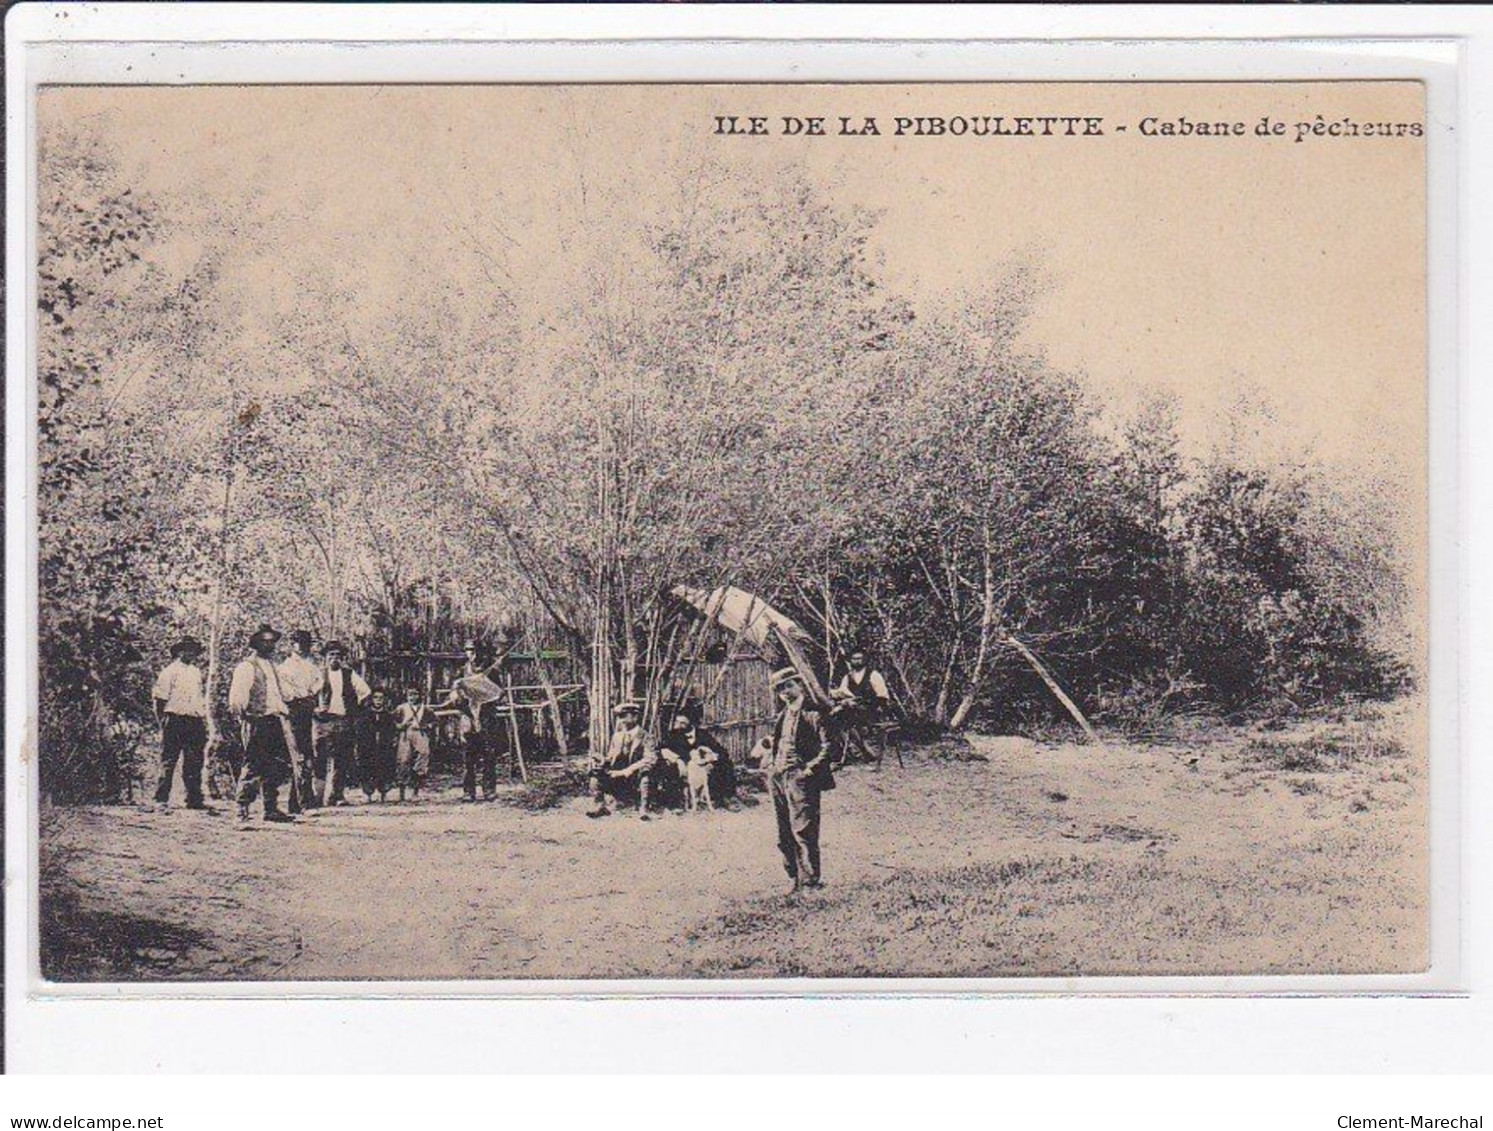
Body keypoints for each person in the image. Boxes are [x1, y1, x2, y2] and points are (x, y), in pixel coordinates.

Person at [760, 667, 835, 892]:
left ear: (799, 685)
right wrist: (771, 766)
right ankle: (795, 878)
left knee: (803, 829)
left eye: (788, 686)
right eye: (779, 689)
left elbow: (830, 746)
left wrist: (809, 769)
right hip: (778, 777)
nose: (784, 692)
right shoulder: (782, 715)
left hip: (800, 777)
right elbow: (777, 744)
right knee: (783, 833)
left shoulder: (814, 713)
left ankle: (811, 881)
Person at [227, 624, 296, 823]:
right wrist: (245, 717)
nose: (269, 645)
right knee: (253, 765)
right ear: (256, 643)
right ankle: (242, 808)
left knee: (274, 766)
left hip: (274, 719)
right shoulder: (247, 667)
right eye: (264, 641)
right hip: (257, 720)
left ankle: (271, 808)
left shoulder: (273, 667)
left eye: (271, 641)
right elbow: (237, 699)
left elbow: (284, 693)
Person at [151, 636, 210, 810]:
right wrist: (162, 721)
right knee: (169, 760)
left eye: (193, 650)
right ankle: (161, 799)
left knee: (194, 761)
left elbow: (198, 698)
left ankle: (193, 799)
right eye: (186, 649)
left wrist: (201, 718)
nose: (190, 653)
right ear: (179, 651)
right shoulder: (169, 671)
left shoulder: (196, 672)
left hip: (194, 720)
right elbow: (159, 699)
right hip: (175, 719)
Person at [315, 641, 370, 807]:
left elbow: (366, 692)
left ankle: (337, 796)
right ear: (325, 657)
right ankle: (318, 797)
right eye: (331, 655)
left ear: (342, 658)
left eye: (338, 656)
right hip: (323, 723)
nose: (334, 658)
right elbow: (307, 694)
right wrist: (316, 709)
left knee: (342, 759)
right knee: (320, 758)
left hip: (343, 721)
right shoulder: (318, 674)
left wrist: (355, 711)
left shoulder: (349, 674)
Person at [586, 700, 658, 820]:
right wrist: (602, 760)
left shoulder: (647, 737)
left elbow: (650, 759)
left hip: (635, 774)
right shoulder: (617, 736)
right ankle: (599, 806)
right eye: (619, 717)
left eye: (624, 716)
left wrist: (627, 770)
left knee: (646, 775)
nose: (621, 720)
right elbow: (611, 757)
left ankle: (644, 809)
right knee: (595, 773)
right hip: (617, 774)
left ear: (635, 717)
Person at [278, 629, 324, 812]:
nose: (302, 646)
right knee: (299, 756)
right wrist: (299, 696)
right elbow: (285, 692)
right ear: (292, 645)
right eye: (298, 642)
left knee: (306, 755)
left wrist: (310, 694)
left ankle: (296, 802)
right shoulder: (284, 668)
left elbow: (319, 682)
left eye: (306, 643)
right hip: (292, 712)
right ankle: (304, 801)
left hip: (307, 710)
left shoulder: (311, 667)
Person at [661, 710, 736, 809]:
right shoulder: (672, 735)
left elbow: (721, 752)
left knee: (726, 763)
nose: (678, 726)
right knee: (668, 767)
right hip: (683, 766)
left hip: (701, 767)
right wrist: (678, 759)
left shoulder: (703, 735)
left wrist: (711, 758)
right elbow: (663, 749)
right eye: (676, 722)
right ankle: (675, 804)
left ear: (691, 723)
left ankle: (726, 798)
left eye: (682, 723)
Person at [831, 648, 894, 766]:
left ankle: (861, 750)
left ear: (864, 660)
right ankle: (857, 750)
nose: (856, 661)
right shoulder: (848, 677)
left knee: (842, 716)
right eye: (854, 659)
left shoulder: (873, 675)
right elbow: (842, 692)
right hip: (852, 710)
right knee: (836, 718)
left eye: (859, 659)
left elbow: (882, 697)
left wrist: (864, 703)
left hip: (872, 710)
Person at [362, 688, 400, 803]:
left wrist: (391, 740)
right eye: (376, 698)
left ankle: (384, 793)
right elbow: (360, 731)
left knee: (385, 768)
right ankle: (368, 794)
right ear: (371, 699)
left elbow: (392, 730)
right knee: (368, 769)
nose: (378, 700)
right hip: (369, 747)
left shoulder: (388, 715)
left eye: (381, 698)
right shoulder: (365, 715)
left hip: (384, 747)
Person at [395, 687, 432, 802]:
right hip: (406, 734)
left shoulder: (425, 709)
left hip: (420, 733)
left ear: (420, 696)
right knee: (403, 761)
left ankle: (415, 792)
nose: (412, 697)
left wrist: (427, 726)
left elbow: (434, 721)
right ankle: (402, 795)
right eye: (410, 695)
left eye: (415, 694)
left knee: (423, 756)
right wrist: (400, 726)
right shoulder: (401, 708)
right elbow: (392, 721)